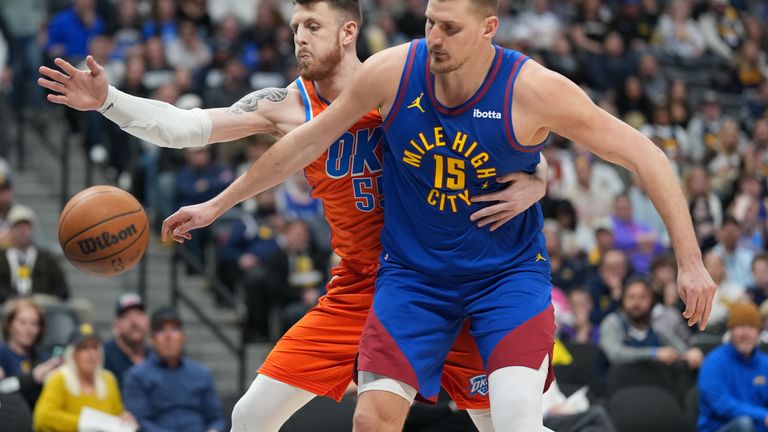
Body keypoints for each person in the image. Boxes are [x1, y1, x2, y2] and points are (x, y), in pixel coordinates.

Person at [155, 1, 716, 429]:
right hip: (413, 280)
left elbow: (647, 155)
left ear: (489, 28)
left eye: (450, 27)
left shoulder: (533, 90)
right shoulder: (394, 71)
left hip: (504, 279)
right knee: (370, 418)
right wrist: (215, 205)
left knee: (516, 421)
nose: (434, 37)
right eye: (429, 22)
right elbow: (303, 144)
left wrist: (690, 263)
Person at [37, 1, 549, 430]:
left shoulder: (404, 84)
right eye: (295, 28)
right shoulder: (286, 104)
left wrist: (539, 176)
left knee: (502, 423)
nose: (299, 39)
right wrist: (109, 101)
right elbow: (186, 127)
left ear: (349, 32)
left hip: (433, 277)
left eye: (313, 27)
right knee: (250, 416)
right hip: (356, 285)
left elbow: (496, 134)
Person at [122, 306, 225, 432]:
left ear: (183, 336)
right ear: (151, 338)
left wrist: (214, 430)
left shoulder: (201, 373)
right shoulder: (136, 376)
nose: (168, 336)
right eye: (161, 330)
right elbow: (139, 421)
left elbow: (216, 418)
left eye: (174, 329)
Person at [33, 323, 136, 432]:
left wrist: (124, 419)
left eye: (94, 347)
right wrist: (86, 424)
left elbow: (117, 413)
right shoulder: (59, 378)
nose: (91, 354)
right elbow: (43, 417)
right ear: (73, 353)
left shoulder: (108, 379)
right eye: (83, 348)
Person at [698, 302, 768, 432]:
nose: (745, 333)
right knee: (744, 424)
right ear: (730, 331)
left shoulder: (765, 363)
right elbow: (722, 405)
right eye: (740, 326)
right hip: (720, 427)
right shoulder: (714, 362)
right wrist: (763, 414)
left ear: (758, 332)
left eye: (751, 327)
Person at [0, 299, 61, 408]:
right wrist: (32, 378)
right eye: (22, 322)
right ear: (9, 324)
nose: (28, 329)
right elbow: (2, 388)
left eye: (34, 323)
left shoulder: (43, 357)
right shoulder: (2, 354)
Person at [103, 292, 151, 388]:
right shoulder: (103, 356)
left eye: (139, 314)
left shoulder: (157, 356)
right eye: (126, 316)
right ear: (116, 325)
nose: (134, 321)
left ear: (148, 321)